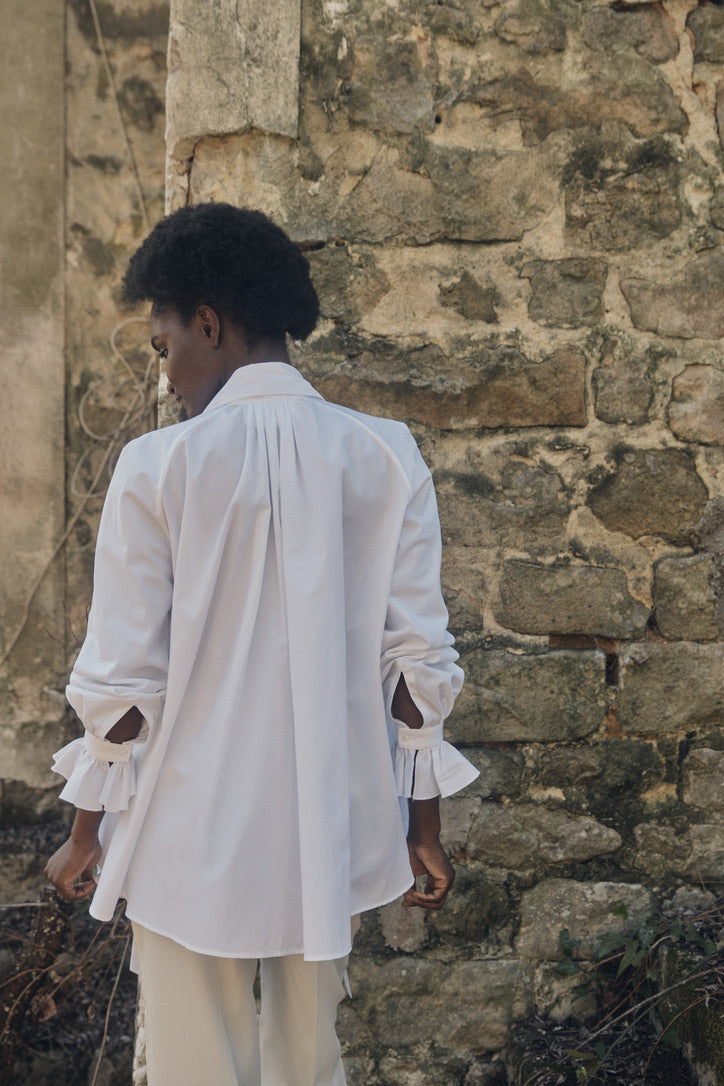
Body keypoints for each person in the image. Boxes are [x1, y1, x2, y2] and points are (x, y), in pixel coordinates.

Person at [45, 203, 479, 1086]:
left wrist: (85, 834)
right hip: (333, 825)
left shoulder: (160, 467)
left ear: (209, 323)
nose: (166, 378)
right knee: (308, 1059)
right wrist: (420, 828)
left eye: (165, 346)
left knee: (192, 1064)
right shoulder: (388, 456)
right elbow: (416, 665)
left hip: (188, 833)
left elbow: (125, 688)